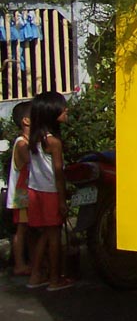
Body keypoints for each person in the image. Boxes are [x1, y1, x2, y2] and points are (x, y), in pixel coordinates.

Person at [27, 91, 74, 291]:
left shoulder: (35, 138)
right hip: (50, 193)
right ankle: (55, 279)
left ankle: (36, 275)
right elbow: (58, 173)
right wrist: (63, 201)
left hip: (34, 191)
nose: (66, 110)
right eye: (62, 108)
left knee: (45, 235)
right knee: (54, 236)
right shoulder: (54, 142)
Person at [6, 100, 32, 276]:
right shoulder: (22, 143)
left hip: (26, 192)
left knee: (28, 228)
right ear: (26, 121)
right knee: (22, 229)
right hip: (22, 194)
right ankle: (20, 264)